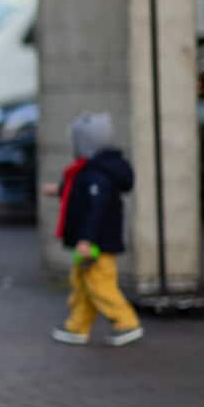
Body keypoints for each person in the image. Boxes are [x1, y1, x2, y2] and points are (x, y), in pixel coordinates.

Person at [45, 112, 142, 346]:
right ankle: (78, 326)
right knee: (83, 284)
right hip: (90, 242)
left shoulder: (96, 174)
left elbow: (96, 210)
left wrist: (87, 240)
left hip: (96, 243)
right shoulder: (91, 170)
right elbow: (81, 195)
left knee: (100, 284)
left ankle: (127, 322)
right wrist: (59, 190)